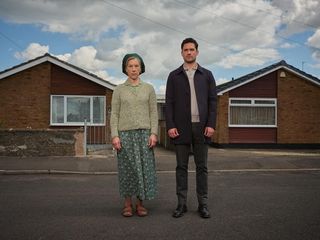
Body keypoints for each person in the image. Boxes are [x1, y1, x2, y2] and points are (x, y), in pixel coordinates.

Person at [165, 38, 217, 218]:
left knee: (202, 167)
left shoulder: (207, 75)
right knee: (181, 167)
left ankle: (203, 204)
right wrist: (170, 125)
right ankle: (181, 204)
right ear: (181, 52)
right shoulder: (174, 76)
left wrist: (211, 123)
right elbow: (169, 103)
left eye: (192, 49)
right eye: (185, 50)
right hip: (181, 128)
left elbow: (213, 101)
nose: (189, 52)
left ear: (197, 52)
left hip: (202, 128)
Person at [110, 53, 158, 217]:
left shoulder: (149, 88)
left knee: (143, 170)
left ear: (141, 68)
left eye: (136, 66)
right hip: (125, 136)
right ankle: (127, 204)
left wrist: (153, 133)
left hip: (144, 135)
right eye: (130, 66)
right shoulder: (119, 90)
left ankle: (140, 204)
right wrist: (115, 136)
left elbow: (153, 112)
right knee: (128, 170)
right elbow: (114, 114)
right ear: (125, 68)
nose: (133, 69)